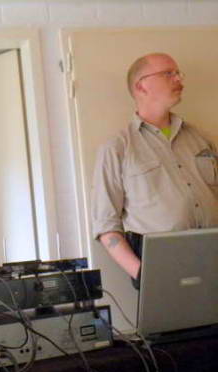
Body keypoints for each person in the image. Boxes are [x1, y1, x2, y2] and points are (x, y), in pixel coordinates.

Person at [91, 52, 218, 288]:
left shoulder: (201, 139)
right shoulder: (117, 148)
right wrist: (144, 275)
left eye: (178, 73)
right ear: (141, 86)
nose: (179, 79)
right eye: (169, 73)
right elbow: (106, 226)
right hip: (162, 266)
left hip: (212, 256)